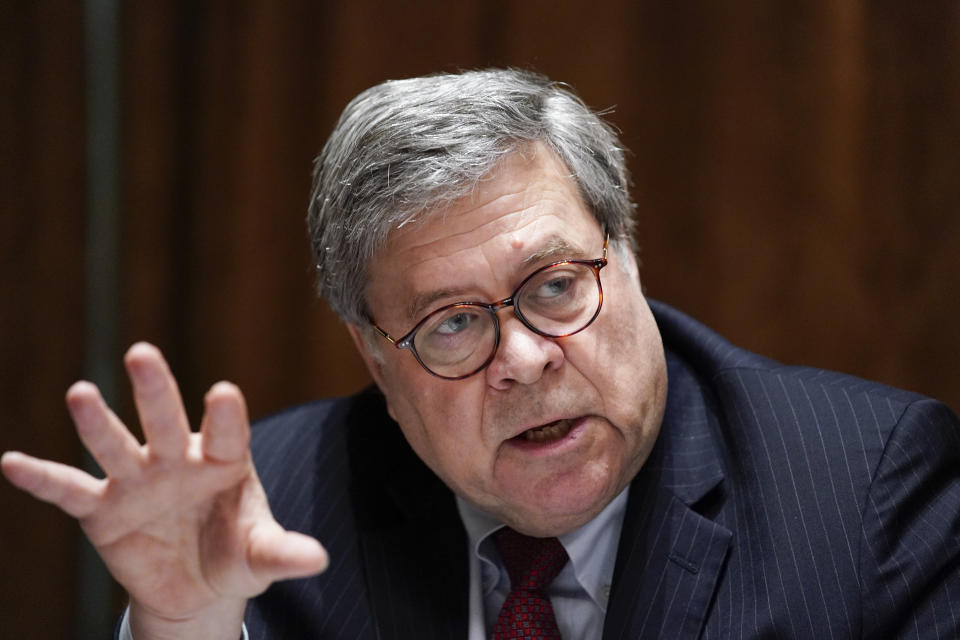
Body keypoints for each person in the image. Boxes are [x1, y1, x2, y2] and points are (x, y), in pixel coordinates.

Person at [3, 69, 959, 640]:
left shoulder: (863, 492)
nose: (526, 360)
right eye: (452, 322)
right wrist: (186, 627)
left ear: (626, 258)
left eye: (553, 286)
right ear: (376, 359)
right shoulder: (274, 518)